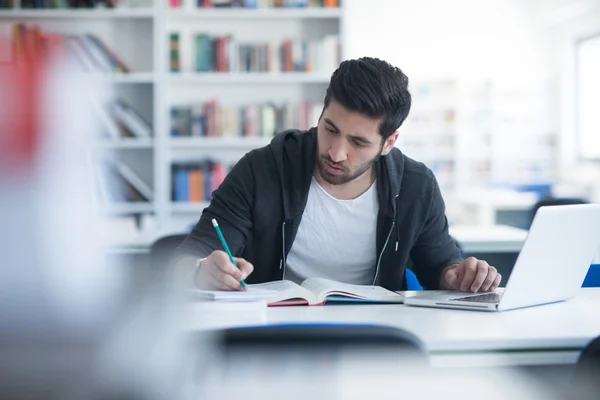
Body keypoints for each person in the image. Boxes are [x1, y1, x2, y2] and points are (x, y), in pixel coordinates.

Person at [173, 57, 501, 293]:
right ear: (321, 113)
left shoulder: (416, 185)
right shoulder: (262, 169)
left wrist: (458, 276)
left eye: (358, 142)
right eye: (330, 129)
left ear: (389, 143)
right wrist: (202, 270)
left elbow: (440, 266)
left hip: (375, 337)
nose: (335, 152)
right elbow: (190, 255)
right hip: (272, 332)